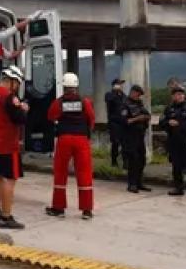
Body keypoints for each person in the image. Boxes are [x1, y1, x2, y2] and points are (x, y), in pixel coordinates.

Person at [0, 65, 29, 230]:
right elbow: (19, 119)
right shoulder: (9, 97)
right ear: (11, 81)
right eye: (17, 83)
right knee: (10, 179)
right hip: (8, 144)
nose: (17, 87)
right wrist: (24, 109)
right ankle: (6, 216)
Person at [45, 72, 96, 220]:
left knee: (60, 172)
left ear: (64, 86)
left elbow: (50, 116)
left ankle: (59, 208)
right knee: (85, 173)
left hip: (64, 139)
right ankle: (86, 210)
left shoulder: (59, 102)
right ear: (76, 86)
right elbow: (91, 119)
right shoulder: (84, 101)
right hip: (81, 140)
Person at [159, 86, 186, 199]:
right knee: (176, 166)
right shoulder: (169, 109)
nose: (179, 96)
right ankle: (178, 188)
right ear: (172, 96)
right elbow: (161, 123)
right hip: (175, 142)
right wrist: (168, 122)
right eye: (177, 94)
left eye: (181, 94)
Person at [121, 85, 152, 193]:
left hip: (140, 136)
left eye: (140, 95)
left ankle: (139, 182)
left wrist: (145, 118)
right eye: (137, 94)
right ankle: (132, 184)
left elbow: (147, 115)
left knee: (141, 160)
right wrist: (138, 118)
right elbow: (125, 121)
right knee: (133, 161)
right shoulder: (125, 105)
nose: (139, 97)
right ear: (133, 92)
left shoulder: (139, 104)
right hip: (130, 137)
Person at [105, 78, 127, 168]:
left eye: (121, 84)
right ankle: (114, 162)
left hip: (123, 123)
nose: (121, 86)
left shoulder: (124, 96)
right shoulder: (109, 95)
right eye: (119, 84)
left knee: (125, 143)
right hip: (114, 123)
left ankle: (125, 162)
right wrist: (115, 92)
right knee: (115, 143)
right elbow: (109, 101)